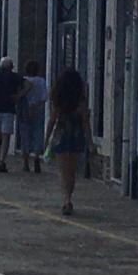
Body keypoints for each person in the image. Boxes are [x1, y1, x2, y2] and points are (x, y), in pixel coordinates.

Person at [44, 67, 92, 216]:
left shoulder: (58, 99)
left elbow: (52, 120)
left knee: (63, 171)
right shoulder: (80, 99)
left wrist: (46, 139)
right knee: (72, 171)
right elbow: (85, 121)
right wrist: (89, 141)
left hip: (61, 135)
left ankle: (66, 199)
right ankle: (68, 198)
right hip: (76, 135)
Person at [0, 56, 31, 172]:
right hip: (8, 108)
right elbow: (28, 85)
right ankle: (2, 160)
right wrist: (19, 95)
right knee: (5, 136)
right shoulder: (14, 76)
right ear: (10, 67)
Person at [18, 60, 48, 173]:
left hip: (24, 111)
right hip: (38, 110)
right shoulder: (41, 81)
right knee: (37, 135)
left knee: (25, 135)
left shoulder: (23, 81)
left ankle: (25, 163)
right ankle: (36, 158)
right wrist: (35, 106)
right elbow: (44, 98)